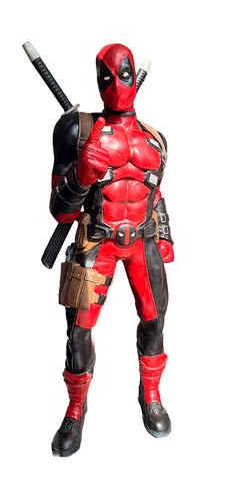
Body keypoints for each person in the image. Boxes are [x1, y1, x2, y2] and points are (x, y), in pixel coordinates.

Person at [49, 43, 174, 457]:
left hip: (142, 242)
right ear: (97, 81)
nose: (117, 84)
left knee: (155, 321)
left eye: (124, 74)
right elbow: (59, 209)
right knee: (78, 332)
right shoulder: (77, 131)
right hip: (96, 240)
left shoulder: (156, 140)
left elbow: (154, 193)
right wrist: (82, 174)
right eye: (107, 76)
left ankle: (150, 393)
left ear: (134, 75)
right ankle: (76, 408)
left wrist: (165, 235)